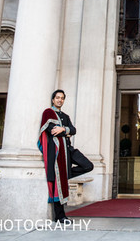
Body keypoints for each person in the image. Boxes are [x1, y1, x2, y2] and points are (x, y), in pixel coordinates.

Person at [38, 89, 93, 223]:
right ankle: (60, 216)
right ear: (53, 99)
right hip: (57, 152)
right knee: (59, 182)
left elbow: (73, 130)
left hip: (68, 149)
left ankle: (65, 173)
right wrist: (65, 131)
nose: (60, 100)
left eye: (62, 98)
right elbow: (52, 131)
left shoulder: (65, 116)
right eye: (57, 98)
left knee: (88, 165)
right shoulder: (48, 113)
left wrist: (63, 129)